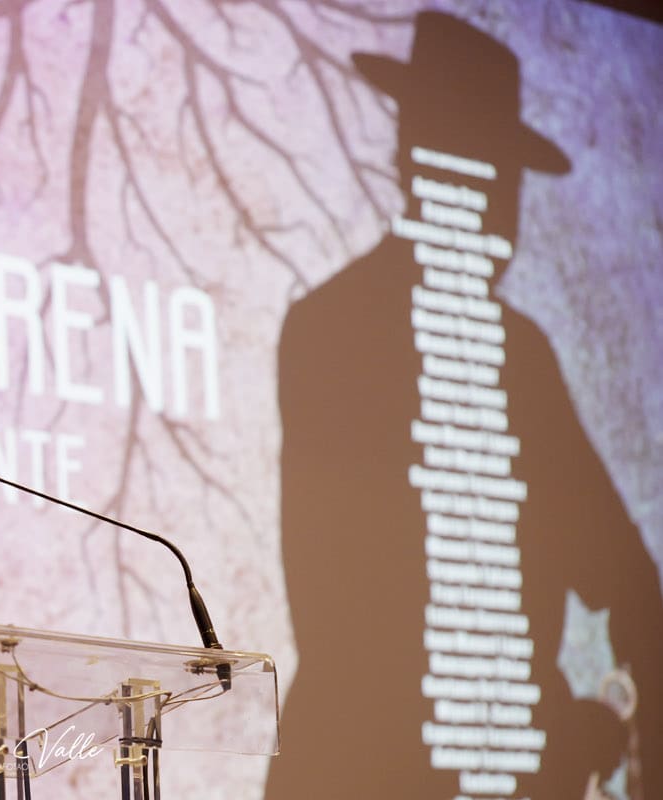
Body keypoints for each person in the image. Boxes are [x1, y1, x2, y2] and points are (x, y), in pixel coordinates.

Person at [266, 12, 662, 800]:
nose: (504, 210)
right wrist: (572, 732)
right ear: (422, 167)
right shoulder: (355, 331)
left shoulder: (513, 352)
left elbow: (621, 574)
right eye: (490, 174)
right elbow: (356, 606)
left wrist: (603, 728)